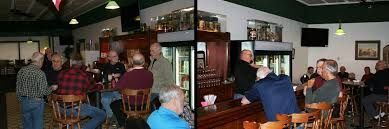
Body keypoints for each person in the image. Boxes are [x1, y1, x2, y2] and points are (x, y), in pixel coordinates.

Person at [56, 53, 106, 129]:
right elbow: (94, 88)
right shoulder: (85, 75)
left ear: (71, 62)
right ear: (81, 64)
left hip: (60, 109)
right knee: (102, 114)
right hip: (76, 109)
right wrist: (101, 85)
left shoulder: (61, 73)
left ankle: (74, 127)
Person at [110, 53, 154, 128]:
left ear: (132, 63)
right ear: (143, 62)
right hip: (144, 105)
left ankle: (124, 124)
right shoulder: (150, 74)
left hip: (129, 106)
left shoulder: (127, 75)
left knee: (113, 104)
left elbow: (116, 87)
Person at [16, 52, 58, 129]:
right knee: (37, 124)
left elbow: (18, 88)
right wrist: (52, 88)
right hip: (36, 102)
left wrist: (21, 100)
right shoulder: (40, 73)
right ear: (40, 60)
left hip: (24, 101)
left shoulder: (21, 71)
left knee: (27, 124)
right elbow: (44, 92)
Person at [101, 50, 126, 121]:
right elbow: (106, 78)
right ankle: (112, 117)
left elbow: (125, 77)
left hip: (119, 90)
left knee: (121, 100)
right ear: (109, 58)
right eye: (114, 56)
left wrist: (113, 75)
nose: (117, 57)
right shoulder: (106, 66)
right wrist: (115, 75)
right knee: (104, 100)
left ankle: (120, 118)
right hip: (108, 90)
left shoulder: (121, 65)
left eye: (117, 55)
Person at [148, 43, 174, 107]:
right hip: (151, 92)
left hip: (159, 93)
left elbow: (169, 80)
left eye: (152, 51)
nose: (150, 53)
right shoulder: (153, 60)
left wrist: (168, 95)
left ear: (159, 51)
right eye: (150, 50)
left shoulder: (165, 63)